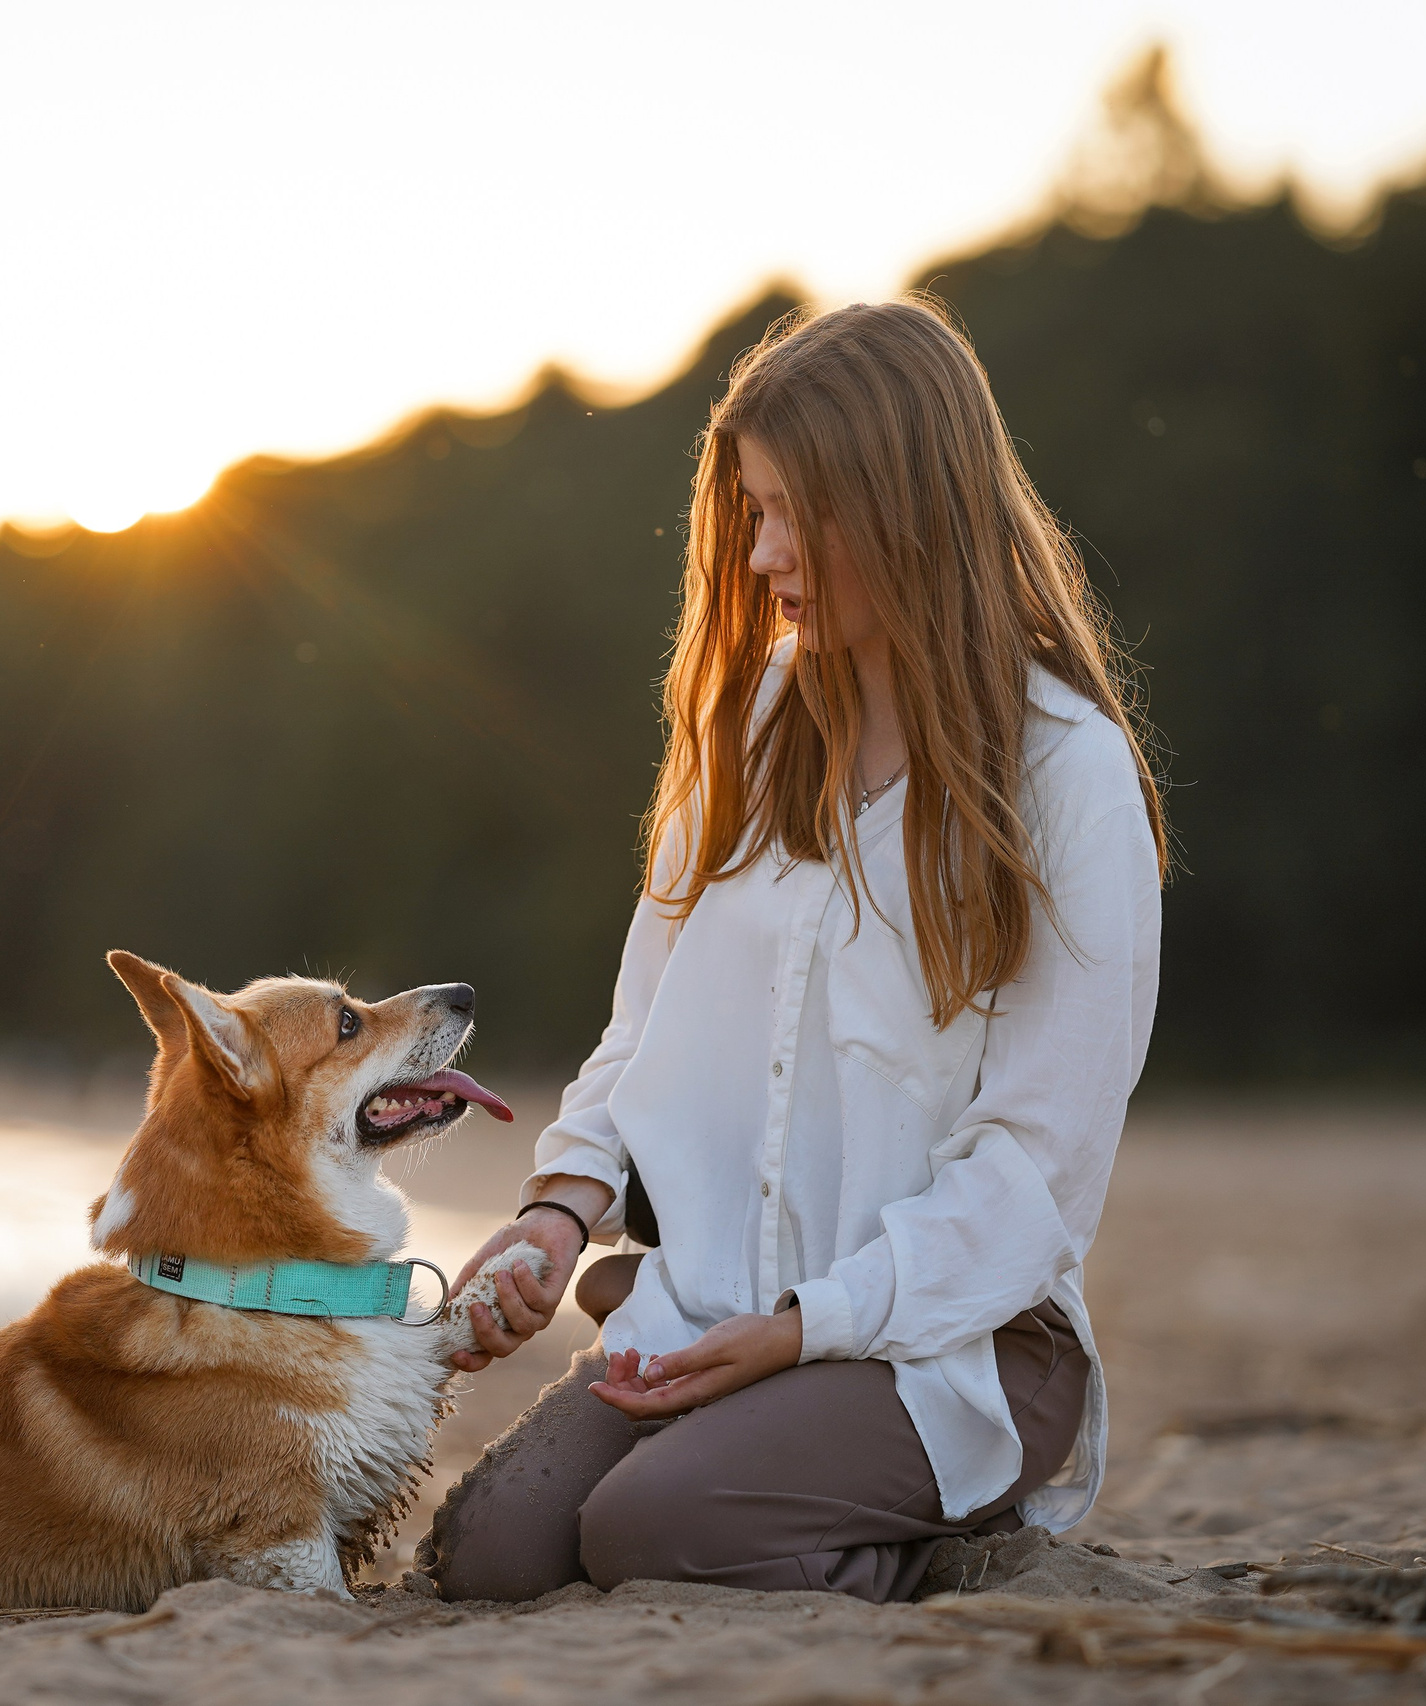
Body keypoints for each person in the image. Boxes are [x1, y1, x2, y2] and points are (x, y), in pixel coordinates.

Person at [418, 297, 1167, 1604]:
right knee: (491, 1555)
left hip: (949, 1345)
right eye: (753, 511)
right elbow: (646, 1024)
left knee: (652, 1530)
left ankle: (941, 1535)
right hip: (716, 1310)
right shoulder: (750, 730)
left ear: (906, 504)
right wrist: (559, 1209)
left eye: (794, 514)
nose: (763, 553)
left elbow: (1036, 1174)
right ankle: (759, 1457)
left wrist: (809, 1330)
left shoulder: (1069, 772)